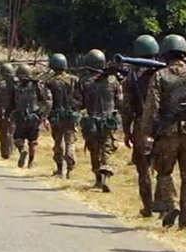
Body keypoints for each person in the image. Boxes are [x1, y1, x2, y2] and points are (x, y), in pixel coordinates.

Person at [141, 35, 186, 229]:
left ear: (165, 53)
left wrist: (147, 134)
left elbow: (151, 109)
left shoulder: (159, 76)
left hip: (167, 134)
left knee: (164, 173)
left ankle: (172, 205)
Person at [121, 35, 163, 216]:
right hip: (163, 126)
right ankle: (163, 205)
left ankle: (148, 207)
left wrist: (126, 130)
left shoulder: (132, 78)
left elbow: (127, 108)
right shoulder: (164, 73)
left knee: (143, 169)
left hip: (141, 126)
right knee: (163, 168)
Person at [76, 49, 123, 192]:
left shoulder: (84, 81)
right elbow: (120, 101)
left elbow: (80, 103)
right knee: (107, 148)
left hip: (92, 122)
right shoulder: (113, 80)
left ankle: (98, 180)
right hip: (109, 121)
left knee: (94, 150)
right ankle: (106, 177)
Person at [10, 64, 52, 168]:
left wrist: (10, 115)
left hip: (21, 117)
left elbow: (12, 103)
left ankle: (22, 150)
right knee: (33, 141)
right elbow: (47, 101)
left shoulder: (16, 87)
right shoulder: (37, 85)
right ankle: (31, 162)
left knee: (18, 138)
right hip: (34, 117)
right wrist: (44, 116)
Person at [46, 53, 80, 179]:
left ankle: (60, 170)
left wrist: (46, 116)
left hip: (56, 116)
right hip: (71, 116)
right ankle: (70, 170)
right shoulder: (74, 80)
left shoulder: (50, 81)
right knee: (70, 143)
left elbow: (47, 101)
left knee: (58, 142)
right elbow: (80, 98)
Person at [0, 63, 16, 159]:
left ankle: (5, 153)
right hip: (15, 111)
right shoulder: (17, 84)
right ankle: (11, 151)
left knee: (4, 133)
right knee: (12, 132)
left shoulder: (0, 85)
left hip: (3, 111)